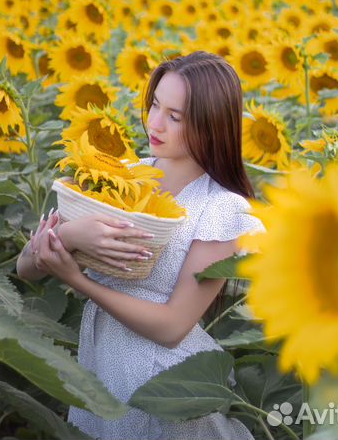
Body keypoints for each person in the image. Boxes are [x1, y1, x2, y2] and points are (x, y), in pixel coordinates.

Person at [17, 51, 264, 440]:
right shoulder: (122, 177)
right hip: (99, 368)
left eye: (175, 116)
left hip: (164, 385)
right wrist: (68, 237)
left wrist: (79, 281)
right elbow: (25, 267)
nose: (155, 122)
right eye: (154, 105)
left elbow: (173, 327)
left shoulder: (221, 209)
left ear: (212, 124)